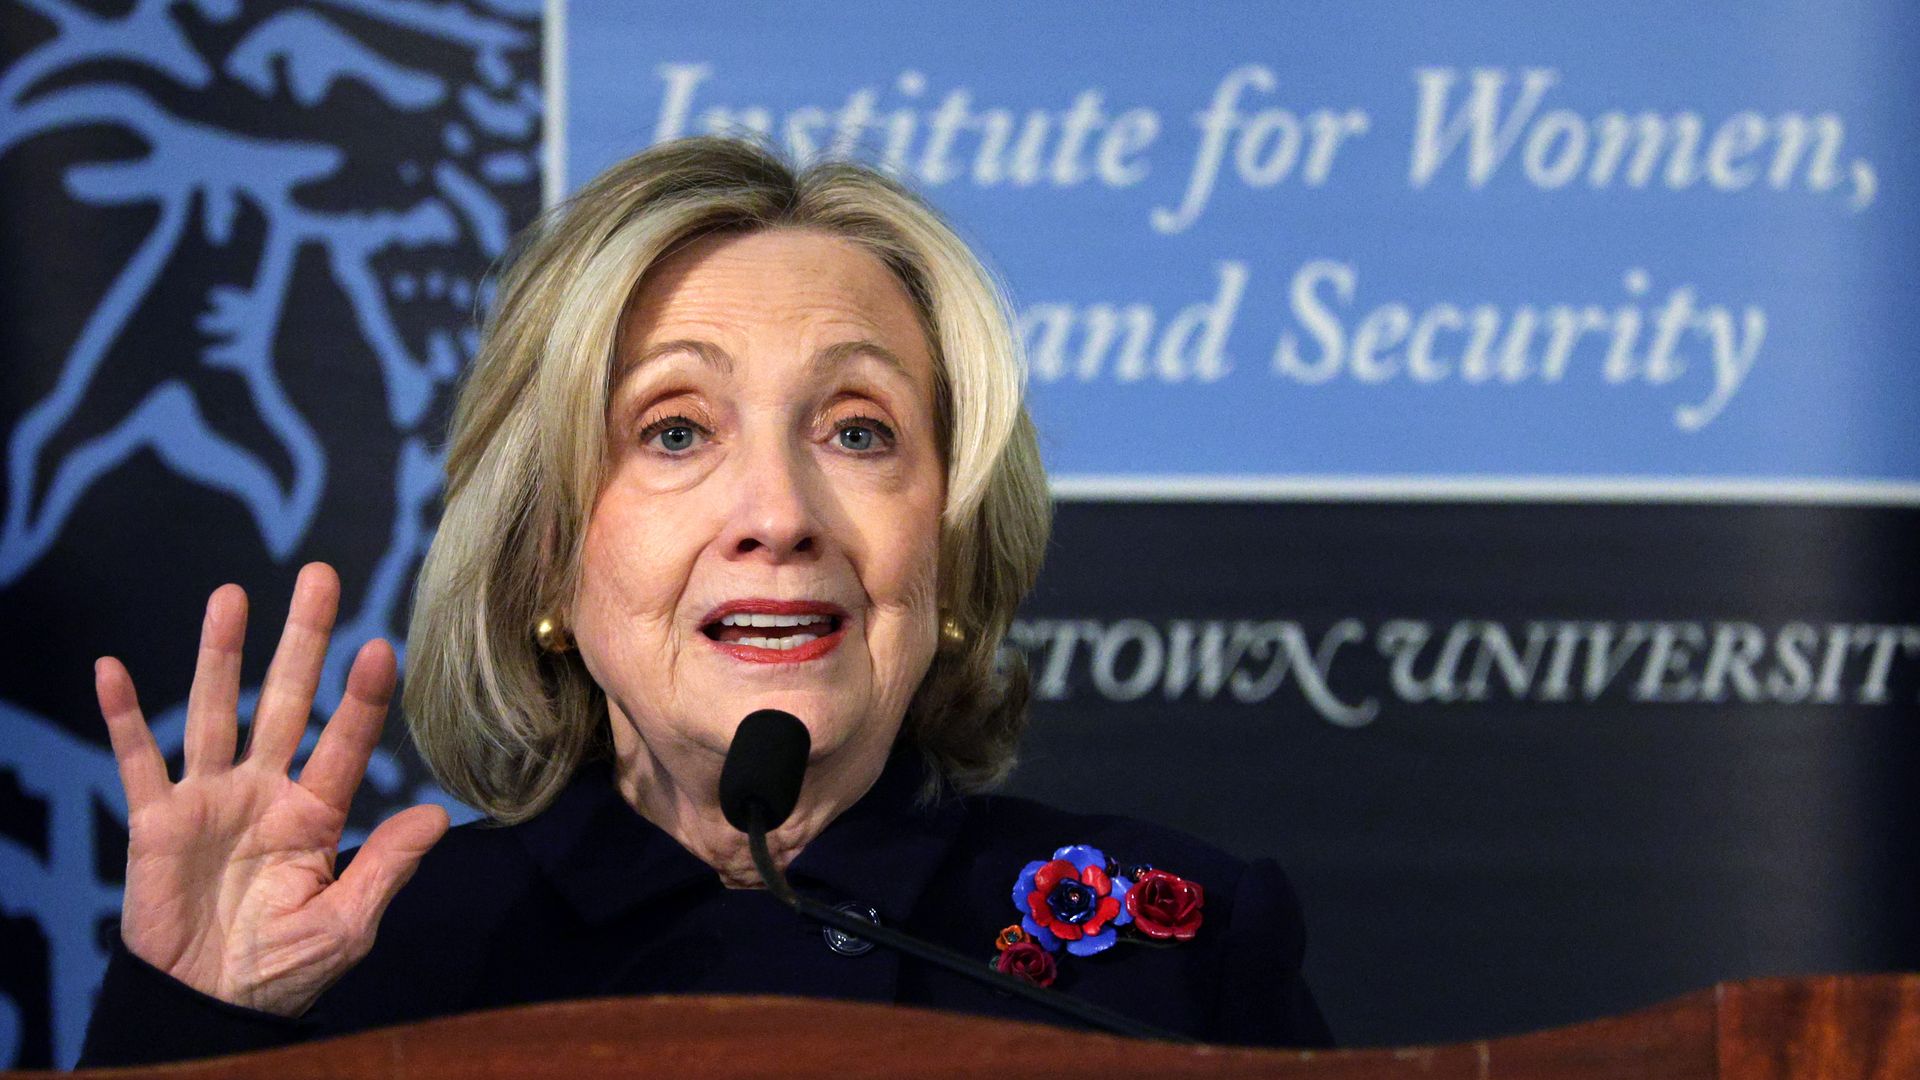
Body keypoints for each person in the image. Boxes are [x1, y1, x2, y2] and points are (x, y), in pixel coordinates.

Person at [78, 137, 1332, 1067]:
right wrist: (188, 1025)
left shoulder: (1170, 950)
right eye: (675, 431)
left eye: (858, 430)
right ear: (546, 556)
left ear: (947, 547)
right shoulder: (363, 964)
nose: (778, 513)